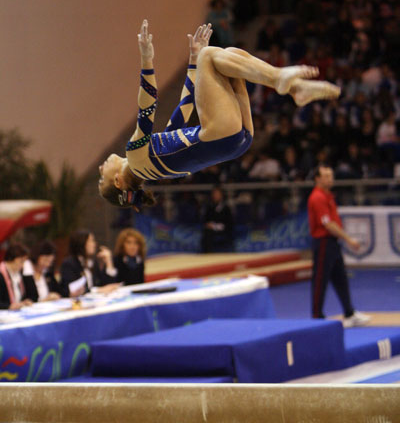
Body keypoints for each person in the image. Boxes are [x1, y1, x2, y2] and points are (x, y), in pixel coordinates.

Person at [98, 20, 340, 211]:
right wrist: (146, 59)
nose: (100, 169)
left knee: (230, 54)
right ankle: (279, 80)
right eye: (102, 179)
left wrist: (193, 62)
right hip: (219, 135)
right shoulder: (136, 155)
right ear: (118, 182)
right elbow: (147, 109)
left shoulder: (152, 165)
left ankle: (296, 89)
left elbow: (183, 110)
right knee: (210, 56)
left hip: (236, 141)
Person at [307, 164, 370, 326]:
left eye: (331, 175)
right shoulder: (317, 197)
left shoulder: (328, 196)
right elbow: (328, 224)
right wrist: (349, 239)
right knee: (320, 279)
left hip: (332, 244)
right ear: (317, 179)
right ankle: (317, 317)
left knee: (341, 278)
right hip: (323, 243)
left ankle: (349, 313)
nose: (330, 179)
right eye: (326, 176)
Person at [60, 230, 119, 297]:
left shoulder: (92, 262)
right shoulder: (69, 264)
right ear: (81, 243)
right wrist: (97, 290)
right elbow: (71, 291)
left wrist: (109, 262)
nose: (94, 244)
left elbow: (106, 286)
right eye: (91, 241)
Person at [0, 243, 33, 310]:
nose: (23, 265)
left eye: (24, 261)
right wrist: (8, 306)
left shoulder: (18, 273)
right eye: (21, 261)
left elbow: (23, 296)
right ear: (11, 258)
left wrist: (24, 302)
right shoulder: (1, 273)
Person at [202, 187, 234, 253]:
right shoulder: (210, 207)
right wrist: (209, 225)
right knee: (207, 232)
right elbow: (205, 220)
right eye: (214, 194)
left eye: (217, 194)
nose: (215, 196)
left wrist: (214, 226)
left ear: (221, 195)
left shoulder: (226, 208)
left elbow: (229, 223)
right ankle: (207, 253)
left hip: (223, 229)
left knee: (209, 231)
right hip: (211, 230)